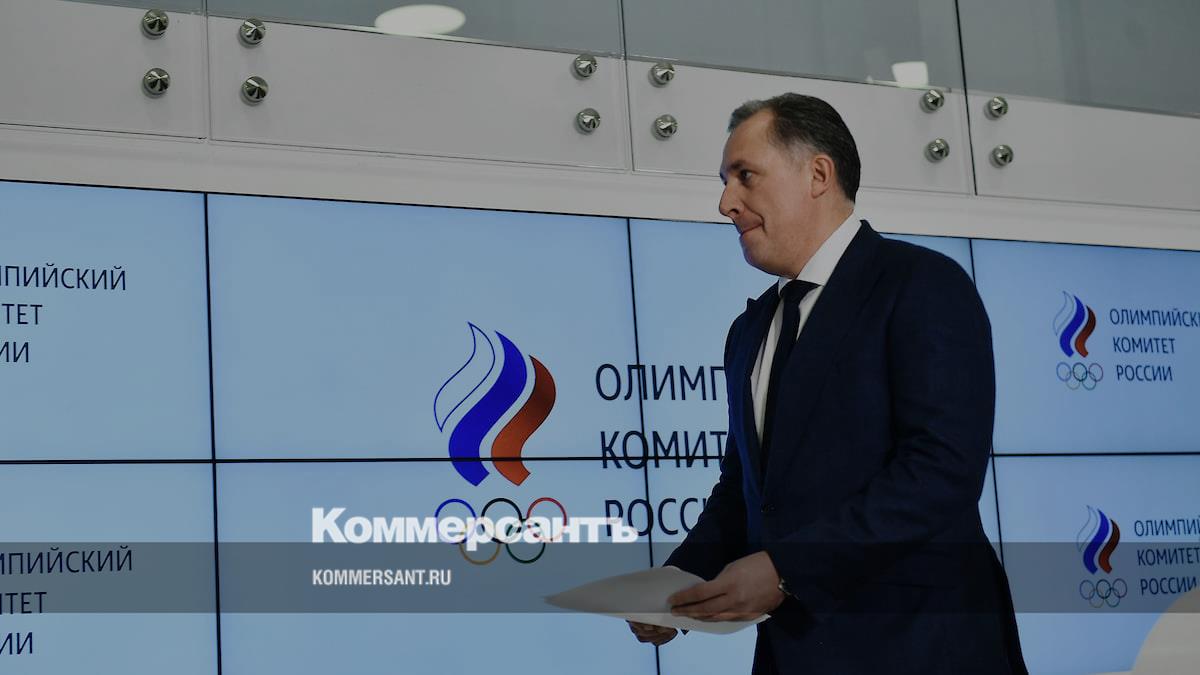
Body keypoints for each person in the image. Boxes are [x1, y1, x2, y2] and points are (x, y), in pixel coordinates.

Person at [627, 93, 1026, 674]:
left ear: (818, 174)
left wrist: (786, 569)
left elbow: (940, 473)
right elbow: (744, 490)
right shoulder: (748, 330)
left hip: (921, 651)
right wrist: (678, 584)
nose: (725, 203)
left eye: (745, 176)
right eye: (724, 182)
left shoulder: (922, 284)